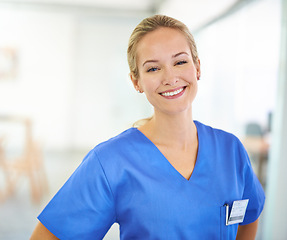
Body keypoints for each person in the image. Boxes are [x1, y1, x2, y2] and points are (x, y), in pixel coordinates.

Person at [30, 15, 265, 240]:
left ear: (197, 68)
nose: (170, 77)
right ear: (136, 81)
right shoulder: (111, 162)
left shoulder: (230, 150)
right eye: (153, 68)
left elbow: (249, 216)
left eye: (180, 62)